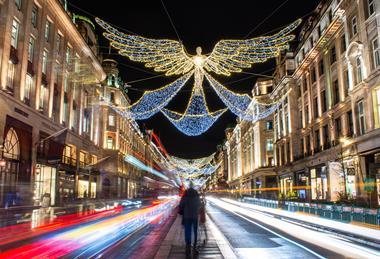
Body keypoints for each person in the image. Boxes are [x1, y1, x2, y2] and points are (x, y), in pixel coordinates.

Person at [179, 181, 200, 258]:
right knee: (195, 230)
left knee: (187, 230)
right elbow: (199, 204)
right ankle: (195, 246)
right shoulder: (196, 193)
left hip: (187, 215)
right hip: (195, 215)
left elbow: (181, 204)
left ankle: (188, 245)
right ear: (193, 186)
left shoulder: (185, 193)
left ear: (188, 186)